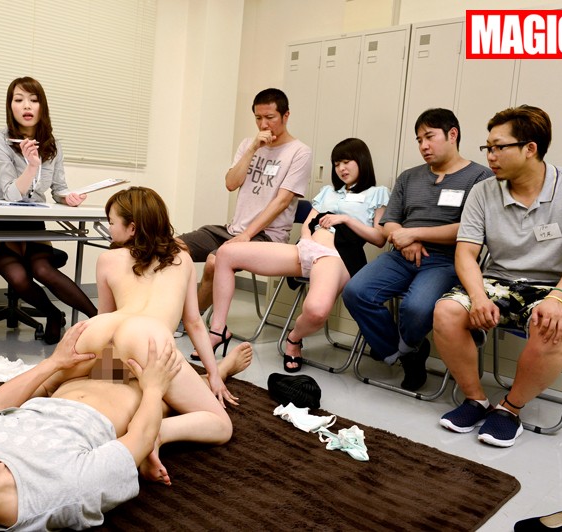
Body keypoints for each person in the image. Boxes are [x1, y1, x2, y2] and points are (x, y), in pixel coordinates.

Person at [0, 321, 252, 532]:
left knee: (114, 332)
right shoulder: (61, 492)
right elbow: (139, 437)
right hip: (131, 397)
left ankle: (206, 376)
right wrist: (153, 389)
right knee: (152, 350)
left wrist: (54, 363)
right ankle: (214, 375)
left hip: (73, 384)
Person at [434, 105, 562, 448]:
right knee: (446, 311)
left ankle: (509, 409)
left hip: (558, 287)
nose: (490, 156)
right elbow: (466, 253)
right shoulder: (483, 191)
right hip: (498, 281)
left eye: (498, 147)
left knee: (552, 324)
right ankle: (476, 400)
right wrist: (478, 297)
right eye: (488, 147)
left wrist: (557, 299)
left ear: (530, 148)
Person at [341, 108, 492, 391]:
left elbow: (472, 228)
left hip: (447, 260)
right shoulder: (409, 177)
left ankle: (406, 348)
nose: (423, 145)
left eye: (429, 137)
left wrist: (414, 234)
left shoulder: (480, 177)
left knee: (416, 308)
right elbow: (389, 222)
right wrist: (405, 239)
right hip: (402, 255)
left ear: (452, 135)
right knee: (356, 292)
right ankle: (406, 354)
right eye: (419, 140)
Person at [208, 138, 389, 372]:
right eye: (337, 164)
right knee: (226, 253)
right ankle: (217, 330)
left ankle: (293, 339)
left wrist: (345, 219)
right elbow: (308, 223)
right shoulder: (328, 192)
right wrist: (306, 240)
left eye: (347, 162)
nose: (341, 168)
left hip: (336, 256)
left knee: (316, 311)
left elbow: (379, 238)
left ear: (362, 161)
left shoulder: (377, 193)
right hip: (306, 248)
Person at [69, 186, 251, 410]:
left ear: (132, 228)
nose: (109, 228)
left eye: (111, 222)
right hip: (154, 351)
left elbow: (105, 319)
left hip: (120, 346)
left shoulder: (107, 259)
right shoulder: (183, 259)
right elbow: (194, 322)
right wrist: (213, 373)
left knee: (110, 399)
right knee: (154, 400)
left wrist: (94, 369)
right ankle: (217, 372)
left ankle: (213, 374)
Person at [0, 76, 98, 344]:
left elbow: (58, 189)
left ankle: (100, 321)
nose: (26, 106)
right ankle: (53, 314)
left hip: (32, 225)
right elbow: (11, 195)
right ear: (10, 106)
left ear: (42, 106)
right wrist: (32, 165)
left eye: (33, 100)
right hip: (0, 226)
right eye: (18, 99)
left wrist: (69, 198)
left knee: (43, 270)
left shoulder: (52, 144)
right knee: (19, 276)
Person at [177, 88, 312, 313]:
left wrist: (247, 235)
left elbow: (282, 201)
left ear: (286, 116)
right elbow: (231, 183)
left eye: (270, 117)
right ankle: (169, 310)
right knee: (171, 248)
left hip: (267, 237)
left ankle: (187, 321)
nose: (263, 125)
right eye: (258, 118)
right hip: (233, 230)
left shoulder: (300, 152)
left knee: (214, 262)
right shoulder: (248, 145)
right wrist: (253, 149)